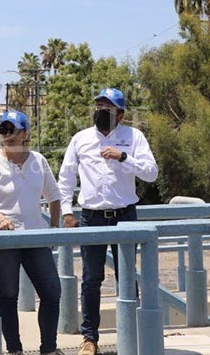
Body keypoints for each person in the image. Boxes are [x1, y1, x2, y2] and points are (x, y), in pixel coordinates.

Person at [57, 87, 158, 355]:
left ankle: (133, 335)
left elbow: (151, 173)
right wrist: (67, 211)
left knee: (127, 277)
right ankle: (89, 339)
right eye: (99, 106)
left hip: (125, 216)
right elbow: (66, 177)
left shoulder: (133, 137)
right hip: (92, 217)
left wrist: (124, 157)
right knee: (91, 279)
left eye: (108, 108)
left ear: (121, 114)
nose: (101, 111)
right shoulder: (80, 139)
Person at [0, 110, 65, 355]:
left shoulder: (38, 160)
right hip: (4, 239)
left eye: (13, 130)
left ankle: (49, 348)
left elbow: (54, 195)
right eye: (3, 130)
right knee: (7, 296)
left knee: (51, 292)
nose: (7, 135)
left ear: (25, 133)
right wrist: (1, 219)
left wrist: (54, 229)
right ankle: (14, 349)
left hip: (36, 235)